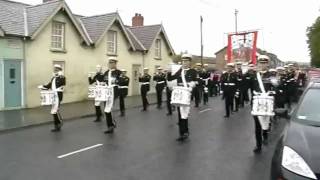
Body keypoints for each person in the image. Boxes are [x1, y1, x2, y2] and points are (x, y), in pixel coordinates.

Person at [171, 54, 197, 141]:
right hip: (179, 94)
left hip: (187, 94)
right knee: (180, 113)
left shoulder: (193, 71)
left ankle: (185, 131)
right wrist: (168, 72)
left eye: (186, 61)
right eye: (183, 61)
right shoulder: (179, 71)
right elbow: (171, 78)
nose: (184, 63)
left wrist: (191, 85)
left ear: (189, 62)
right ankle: (182, 133)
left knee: (184, 113)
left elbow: (197, 81)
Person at [252, 55, 273, 154]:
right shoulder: (254, 75)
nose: (262, 65)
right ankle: (258, 145)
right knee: (257, 125)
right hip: (257, 102)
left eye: (264, 63)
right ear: (258, 63)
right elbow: (246, 84)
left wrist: (273, 92)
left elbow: (276, 87)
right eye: (261, 63)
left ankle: (265, 134)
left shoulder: (272, 75)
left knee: (265, 122)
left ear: (267, 64)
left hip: (267, 102)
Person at [38, 64, 66, 132]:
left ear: (59, 70)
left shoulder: (62, 77)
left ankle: (59, 124)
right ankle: (57, 125)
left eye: (56, 70)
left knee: (55, 111)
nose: (55, 71)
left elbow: (63, 83)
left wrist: (61, 75)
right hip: (53, 96)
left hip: (58, 96)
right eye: (54, 70)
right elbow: (48, 86)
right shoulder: (53, 78)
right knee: (53, 111)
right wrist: (42, 87)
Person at [103, 57, 121, 134]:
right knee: (106, 109)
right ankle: (110, 126)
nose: (111, 64)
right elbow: (104, 81)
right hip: (106, 92)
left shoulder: (118, 72)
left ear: (115, 63)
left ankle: (111, 125)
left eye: (112, 63)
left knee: (109, 109)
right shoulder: (106, 72)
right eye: (110, 63)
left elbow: (120, 81)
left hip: (114, 92)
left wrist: (116, 82)